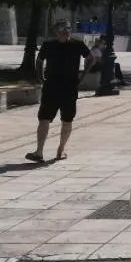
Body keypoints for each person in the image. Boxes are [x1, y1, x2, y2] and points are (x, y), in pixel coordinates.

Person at [27, 22, 92, 164]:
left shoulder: (78, 44)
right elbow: (39, 61)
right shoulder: (48, 44)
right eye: (60, 32)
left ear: (69, 32)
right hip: (51, 86)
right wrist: (41, 78)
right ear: (56, 33)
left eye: (66, 31)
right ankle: (39, 152)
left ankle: (60, 150)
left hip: (69, 87)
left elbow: (90, 58)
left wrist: (82, 77)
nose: (63, 34)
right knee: (44, 118)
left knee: (67, 119)